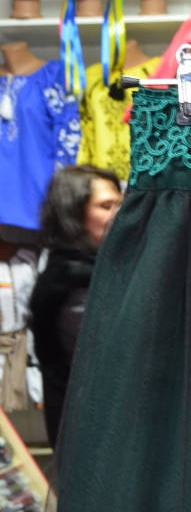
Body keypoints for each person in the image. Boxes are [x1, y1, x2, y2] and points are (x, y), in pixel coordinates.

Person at [28, 164, 122, 449]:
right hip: (94, 439)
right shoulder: (73, 280)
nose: (119, 214)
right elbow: (109, 362)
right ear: (74, 215)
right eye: (106, 206)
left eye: (121, 204)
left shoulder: (96, 272)